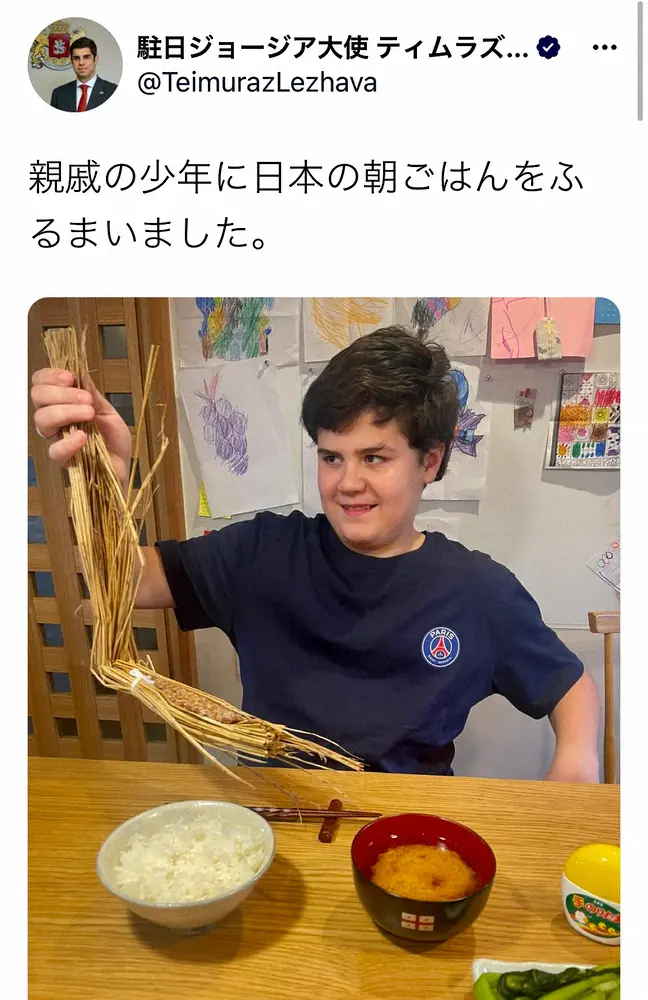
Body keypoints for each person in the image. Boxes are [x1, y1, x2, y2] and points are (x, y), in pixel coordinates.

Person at [31, 327, 601, 780]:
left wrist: (576, 762)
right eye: (332, 457)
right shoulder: (262, 553)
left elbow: (568, 686)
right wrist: (106, 479)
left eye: (374, 458)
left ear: (429, 460)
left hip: (406, 830)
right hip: (277, 820)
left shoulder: (477, 591)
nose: (347, 483)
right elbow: (127, 582)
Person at [50, 36, 117, 112]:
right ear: (71, 61)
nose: (81, 63)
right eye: (76, 58)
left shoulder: (113, 91)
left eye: (86, 57)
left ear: (95, 59)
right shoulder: (58, 94)